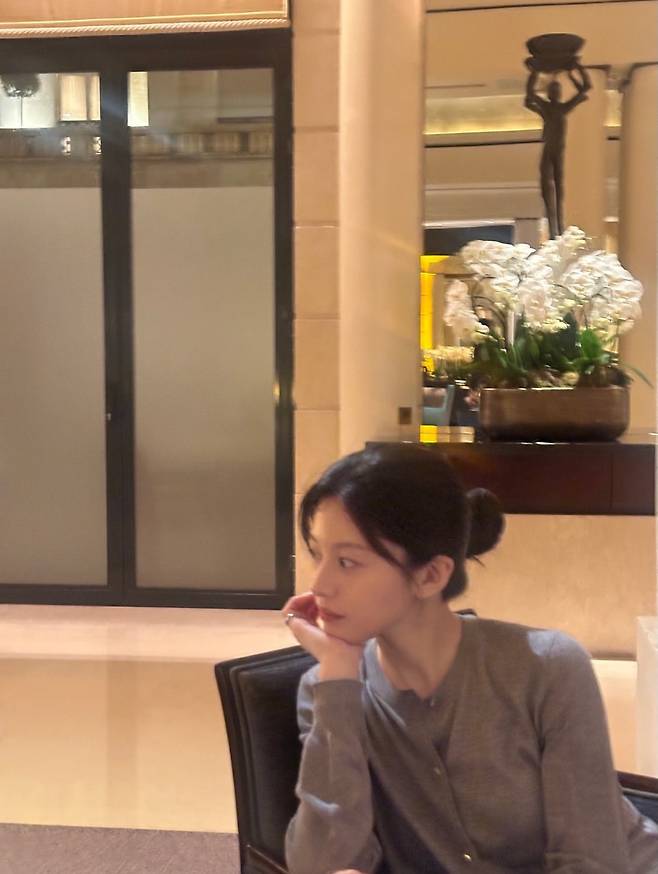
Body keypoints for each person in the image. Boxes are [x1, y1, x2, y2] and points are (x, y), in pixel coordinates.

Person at [282, 443, 658, 874]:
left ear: (430, 575)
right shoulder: (331, 690)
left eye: (347, 562)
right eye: (317, 553)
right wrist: (338, 678)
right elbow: (322, 864)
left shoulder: (546, 668)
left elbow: (590, 864)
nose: (320, 584)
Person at [524, 62, 591, 239]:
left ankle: (559, 229)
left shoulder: (563, 107)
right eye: (552, 90)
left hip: (557, 151)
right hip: (549, 148)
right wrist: (535, 72)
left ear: (559, 93)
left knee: (559, 188)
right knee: (547, 186)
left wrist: (573, 73)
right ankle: (553, 230)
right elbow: (530, 93)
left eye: (557, 90)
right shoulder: (547, 107)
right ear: (549, 93)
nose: (555, 93)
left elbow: (586, 87)